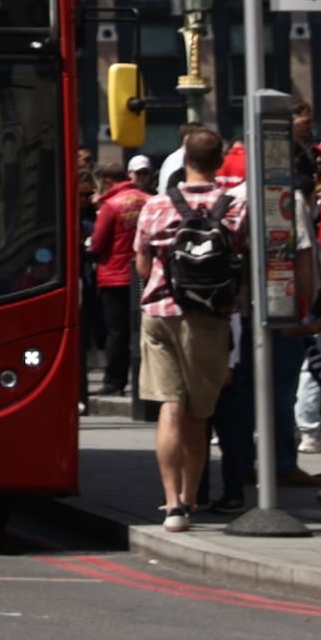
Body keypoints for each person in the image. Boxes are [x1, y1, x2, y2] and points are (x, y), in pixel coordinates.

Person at [134, 128, 249, 527]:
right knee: (200, 413)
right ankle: (190, 498)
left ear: (184, 161)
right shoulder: (235, 207)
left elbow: (143, 266)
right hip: (209, 317)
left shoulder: (156, 206)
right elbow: (240, 262)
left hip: (161, 313)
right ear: (219, 162)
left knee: (170, 405)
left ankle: (172, 505)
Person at [86, 157, 154, 407]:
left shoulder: (111, 206)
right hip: (144, 274)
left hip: (115, 276)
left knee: (117, 332)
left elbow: (97, 242)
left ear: (106, 180)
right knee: (144, 330)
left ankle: (115, 381)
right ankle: (145, 381)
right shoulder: (148, 200)